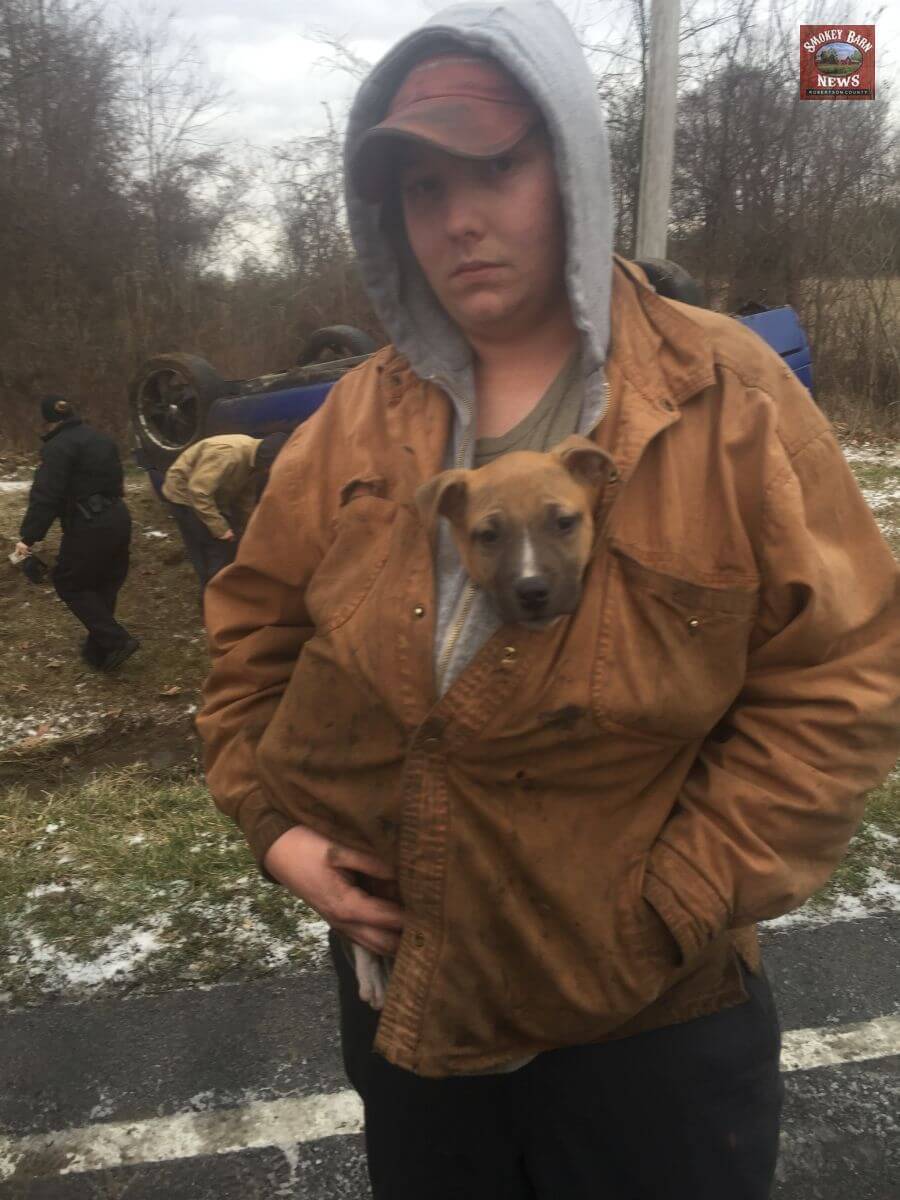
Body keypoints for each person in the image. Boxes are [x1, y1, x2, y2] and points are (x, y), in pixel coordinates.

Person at [197, 3, 900, 1197]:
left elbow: (845, 671)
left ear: (571, 166)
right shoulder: (352, 421)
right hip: (413, 1002)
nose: (459, 217)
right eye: (423, 188)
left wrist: (679, 900)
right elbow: (249, 642)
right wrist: (279, 829)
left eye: (497, 167)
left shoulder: (724, 394)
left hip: (653, 1024)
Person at [16, 394, 138, 671]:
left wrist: (28, 537)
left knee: (69, 582)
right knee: (104, 583)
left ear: (48, 421)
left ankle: (117, 641)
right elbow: (117, 482)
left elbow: (46, 496)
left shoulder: (57, 447)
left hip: (89, 523)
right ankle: (99, 653)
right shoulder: (101, 439)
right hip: (119, 516)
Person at [161, 432, 287, 595]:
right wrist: (221, 529)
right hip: (185, 496)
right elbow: (199, 492)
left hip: (211, 496)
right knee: (214, 547)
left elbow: (244, 500)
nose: (270, 472)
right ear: (268, 460)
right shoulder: (226, 454)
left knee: (229, 544)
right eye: (271, 468)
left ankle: (222, 590)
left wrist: (251, 530)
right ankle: (212, 596)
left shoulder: (255, 464)